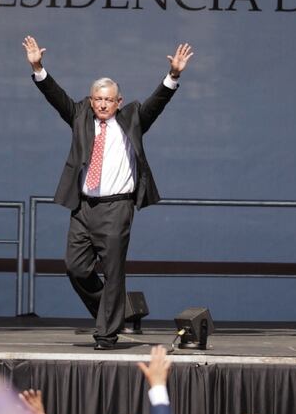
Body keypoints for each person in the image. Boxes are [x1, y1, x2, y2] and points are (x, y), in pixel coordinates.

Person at [22, 36, 194, 349]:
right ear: (91, 101)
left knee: (113, 271)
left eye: (108, 99)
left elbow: (158, 102)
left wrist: (173, 76)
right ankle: (114, 310)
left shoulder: (132, 118)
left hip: (117, 208)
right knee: (75, 268)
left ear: (118, 101)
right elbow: (55, 96)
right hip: (84, 207)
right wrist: (38, 67)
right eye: (97, 99)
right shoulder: (79, 117)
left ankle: (106, 333)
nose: (102, 104)